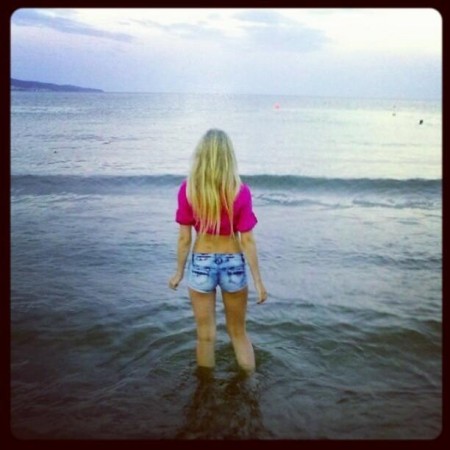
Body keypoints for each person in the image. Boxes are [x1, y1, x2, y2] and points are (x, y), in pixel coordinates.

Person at [169, 129, 267, 373]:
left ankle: (205, 389)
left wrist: (179, 272)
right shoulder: (240, 191)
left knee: (205, 336)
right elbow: (247, 240)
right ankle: (250, 384)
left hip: (201, 262)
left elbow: (184, 239)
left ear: (201, 155)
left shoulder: (189, 190)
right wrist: (258, 281)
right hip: (233, 262)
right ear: (228, 157)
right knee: (238, 333)